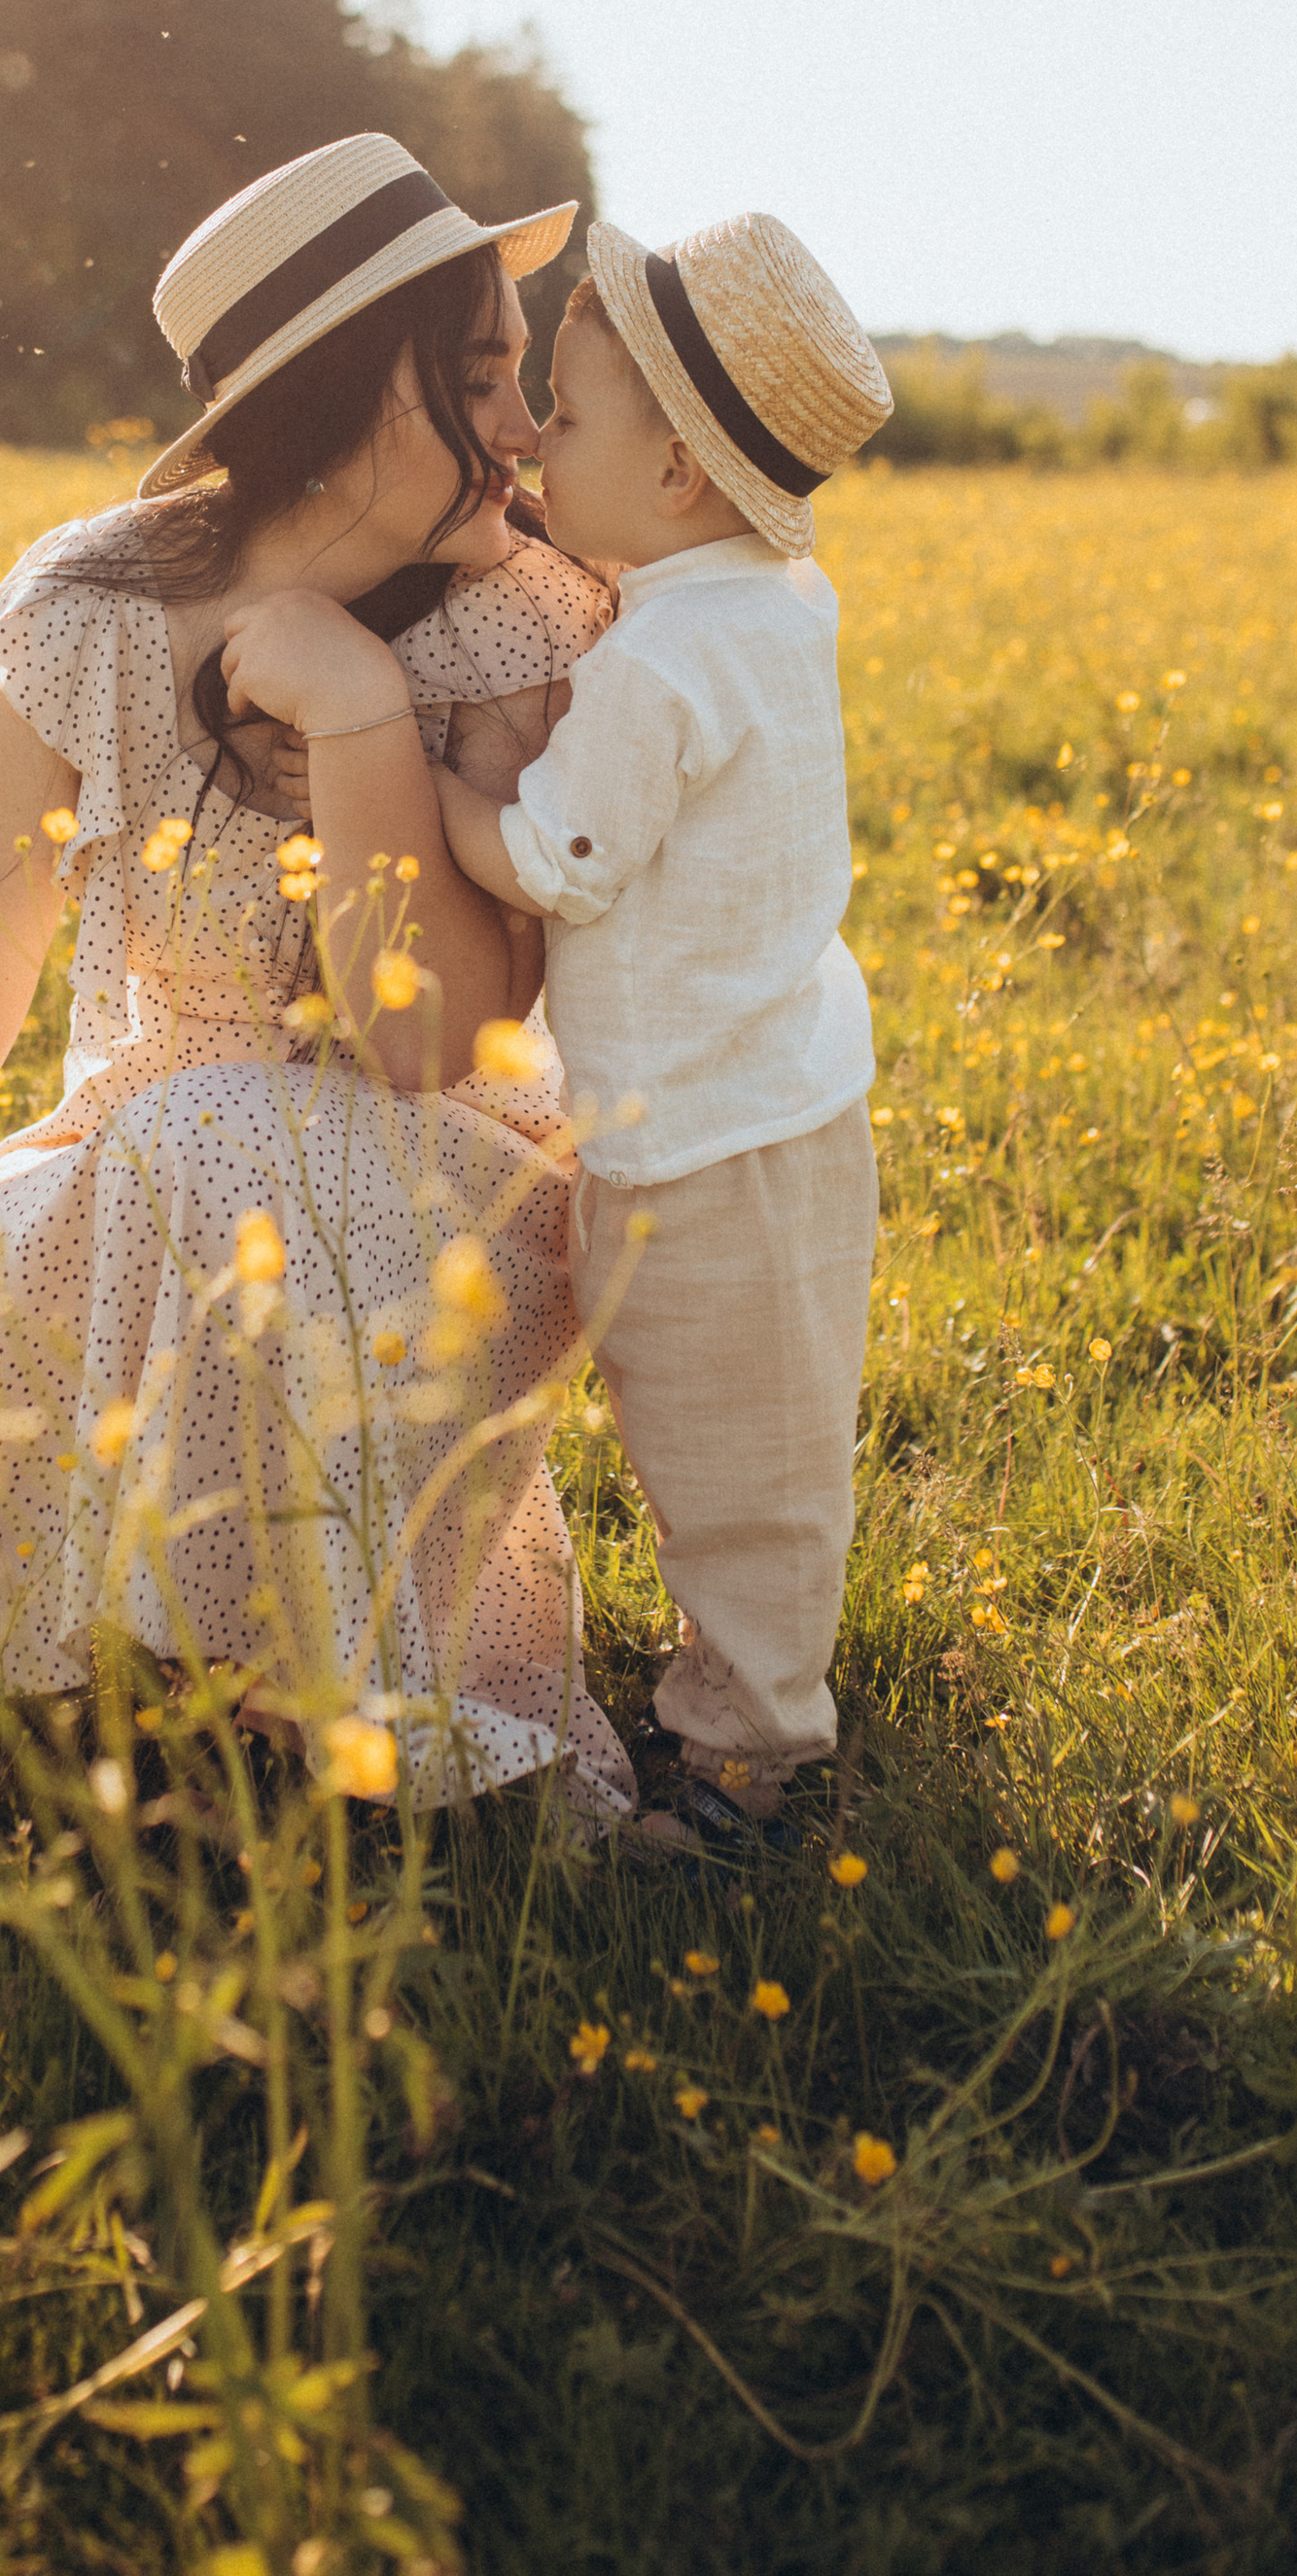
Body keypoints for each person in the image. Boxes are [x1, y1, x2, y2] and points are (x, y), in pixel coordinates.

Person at [0, 131, 635, 1818]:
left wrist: (359, 712)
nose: (528, 429)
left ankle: (301, 1743)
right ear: (347, 396)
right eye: (483, 378)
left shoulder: (522, 616)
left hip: (433, 1198)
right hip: (139, 1176)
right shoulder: (86, 611)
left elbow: (434, 1036)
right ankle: (126, 1704)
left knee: (223, 1144)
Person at [414, 210, 894, 1855]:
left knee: (734, 1461)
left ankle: (751, 1763)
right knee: (759, 1436)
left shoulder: (664, 661)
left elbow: (561, 857)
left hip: (707, 1144)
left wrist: (428, 783)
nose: (535, 441)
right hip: (762, 1107)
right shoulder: (769, 599)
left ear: (679, 473)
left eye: (565, 413)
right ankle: (745, 1691)